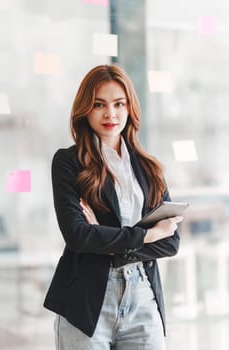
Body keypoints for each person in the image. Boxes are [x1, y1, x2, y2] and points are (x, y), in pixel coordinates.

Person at [44, 64, 183, 350]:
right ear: (85, 109)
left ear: (130, 108)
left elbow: (171, 243)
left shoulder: (148, 167)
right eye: (99, 105)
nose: (111, 114)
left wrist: (106, 236)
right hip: (86, 300)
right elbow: (78, 236)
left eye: (119, 104)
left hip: (142, 295)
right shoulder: (68, 163)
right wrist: (147, 234)